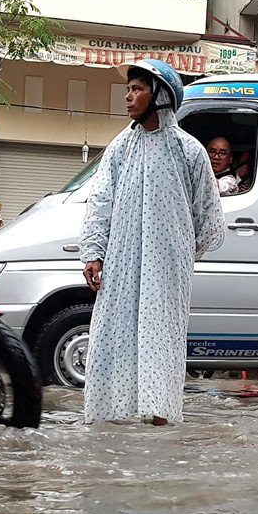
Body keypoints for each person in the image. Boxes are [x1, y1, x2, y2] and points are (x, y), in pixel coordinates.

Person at [79, 60, 226, 426]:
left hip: (167, 266)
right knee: (115, 334)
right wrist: (94, 253)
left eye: (137, 88)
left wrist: (179, 255)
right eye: (128, 89)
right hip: (122, 262)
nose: (128, 96)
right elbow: (100, 201)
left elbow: (207, 214)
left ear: (159, 94)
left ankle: (158, 418)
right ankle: (111, 417)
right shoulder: (119, 147)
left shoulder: (188, 150)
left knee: (161, 339)